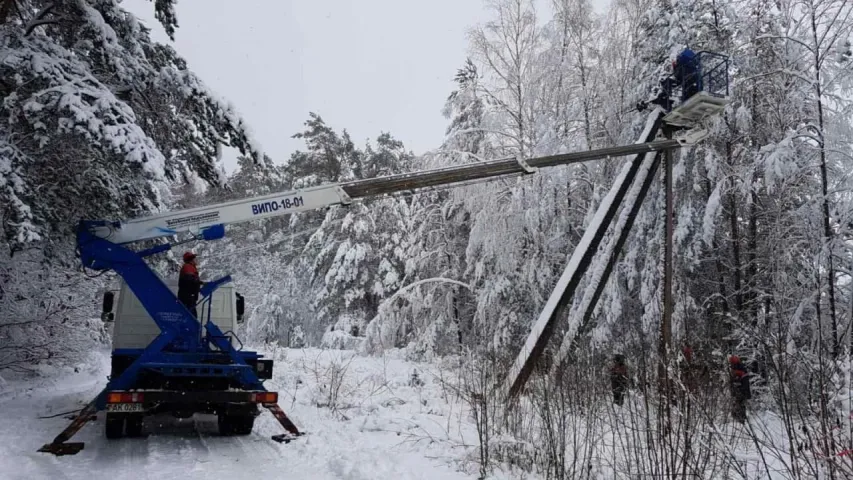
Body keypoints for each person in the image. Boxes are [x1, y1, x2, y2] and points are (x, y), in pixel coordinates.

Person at [178, 251, 204, 318]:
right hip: (187, 297)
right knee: (191, 317)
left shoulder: (190, 267)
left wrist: (201, 282)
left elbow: (191, 279)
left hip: (188, 296)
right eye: (195, 258)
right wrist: (198, 282)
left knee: (190, 316)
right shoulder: (188, 266)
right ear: (191, 259)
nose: (196, 260)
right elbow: (189, 279)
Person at [729, 355, 751, 423]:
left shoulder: (741, 369)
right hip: (738, 390)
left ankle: (741, 420)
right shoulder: (735, 368)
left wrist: (740, 389)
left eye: (732, 362)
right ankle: (737, 418)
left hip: (741, 391)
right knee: (736, 404)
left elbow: (744, 381)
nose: (731, 364)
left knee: (740, 405)